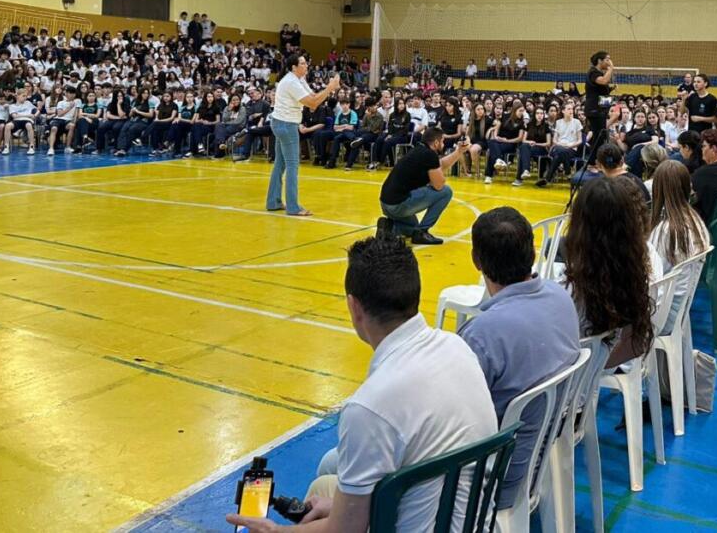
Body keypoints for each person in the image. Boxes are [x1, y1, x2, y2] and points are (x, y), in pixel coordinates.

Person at [228, 237, 497, 533]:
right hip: (474, 522)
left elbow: (345, 531)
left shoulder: (369, 408)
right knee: (325, 488)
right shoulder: (458, 348)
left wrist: (276, 531)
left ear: (354, 307)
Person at [457, 206, 580, 504]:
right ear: (532, 252)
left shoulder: (481, 336)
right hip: (542, 454)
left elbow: (451, 421)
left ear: (476, 260)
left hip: (492, 482)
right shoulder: (561, 297)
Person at [564, 175, 659, 367]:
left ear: (579, 226)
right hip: (618, 360)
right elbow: (637, 344)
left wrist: (596, 366)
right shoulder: (637, 268)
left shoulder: (571, 289)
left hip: (583, 371)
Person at [267, 51, 339, 216]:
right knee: (292, 165)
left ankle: (273, 201)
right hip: (286, 125)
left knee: (280, 164)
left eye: (306, 63)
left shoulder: (299, 79)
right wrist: (330, 88)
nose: (306, 65)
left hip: (281, 123)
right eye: (303, 63)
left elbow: (313, 97)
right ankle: (293, 207)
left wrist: (328, 89)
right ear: (294, 67)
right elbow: (313, 103)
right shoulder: (291, 82)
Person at [647, 160, 710, 332]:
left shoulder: (666, 230)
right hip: (679, 308)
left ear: (658, 191)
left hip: (661, 316)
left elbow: (651, 276)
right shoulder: (695, 221)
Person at [377, 127, 468, 245]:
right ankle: (422, 232)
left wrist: (459, 152)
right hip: (398, 205)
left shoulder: (419, 150)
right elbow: (439, 185)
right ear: (436, 143)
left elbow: (439, 165)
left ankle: (389, 228)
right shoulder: (429, 155)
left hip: (386, 203)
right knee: (446, 192)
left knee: (413, 228)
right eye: (442, 141)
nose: (444, 144)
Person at [584, 50, 614, 138]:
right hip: (594, 109)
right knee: (599, 135)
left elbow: (601, 91)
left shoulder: (600, 73)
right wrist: (611, 68)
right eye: (607, 60)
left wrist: (611, 89)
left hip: (601, 108)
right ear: (600, 61)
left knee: (602, 134)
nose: (609, 62)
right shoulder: (593, 72)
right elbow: (604, 81)